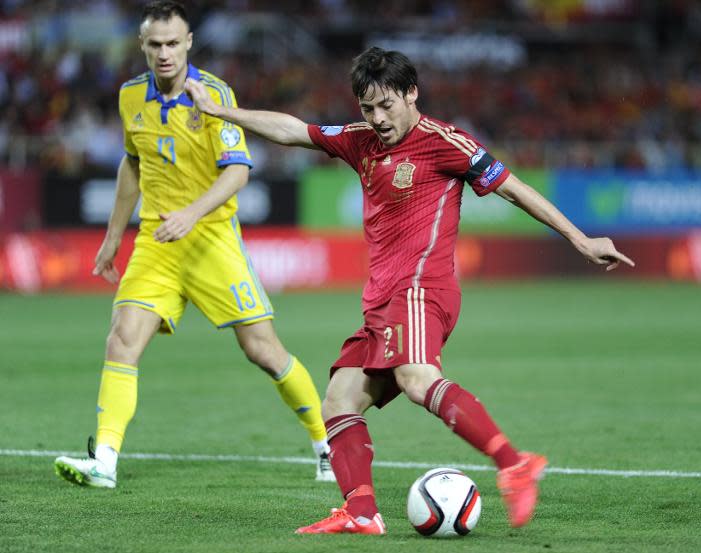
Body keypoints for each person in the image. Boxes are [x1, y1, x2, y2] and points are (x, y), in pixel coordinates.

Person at [185, 46, 635, 534]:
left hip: (423, 288)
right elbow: (295, 130)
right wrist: (219, 109)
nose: (377, 118)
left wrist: (580, 239)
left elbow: (514, 188)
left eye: (386, 105)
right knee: (338, 400)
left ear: (411, 93)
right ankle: (361, 511)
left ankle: (513, 463)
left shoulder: (446, 142)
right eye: (367, 109)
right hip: (382, 300)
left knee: (416, 378)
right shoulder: (359, 141)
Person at [53, 0, 335, 489]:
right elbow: (132, 164)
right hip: (157, 243)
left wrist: (191, 213)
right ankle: (105, 461)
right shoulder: (129, 97)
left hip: (211, 240)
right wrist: (113, 237)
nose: (164, 53)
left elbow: (238, 171)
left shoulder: (214, 95)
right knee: (121, 338)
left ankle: (326, 444)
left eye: (172, 43)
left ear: (188, 44)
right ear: (142, 46)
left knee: (263, 351)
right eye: (155, 44)